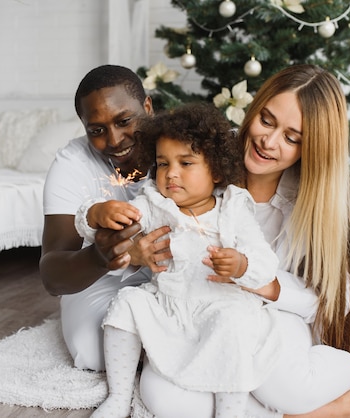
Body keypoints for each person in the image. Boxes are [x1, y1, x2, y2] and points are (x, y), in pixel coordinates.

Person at [41, 64, 350, 417]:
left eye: (292, 137)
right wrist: (119, 236)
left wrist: (265, 284)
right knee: (164, 400)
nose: (269, 142)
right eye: (266, 120)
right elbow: (144, 210)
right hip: (193, 311)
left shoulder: (311, 198)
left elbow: (334, 301)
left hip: (268, 313)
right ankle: (329, 407)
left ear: (311, 148)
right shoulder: (203, 152)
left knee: (284, 385)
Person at [76, 102, 285, 417]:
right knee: (129, 300)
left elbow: (265, 262)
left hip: (220, 306)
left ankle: (231, 412)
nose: (170, 173)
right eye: (162, 164)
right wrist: (97, 213)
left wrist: (242, 265)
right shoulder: (155, 205)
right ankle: (118, 397)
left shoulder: (232, 209)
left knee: (234, 325)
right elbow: (96, 233)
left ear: (215, 169)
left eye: (185, 163)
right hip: (170, 308)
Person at [40, 64, 170, 371]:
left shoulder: (177, 144)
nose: (114, 140)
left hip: (174, 273)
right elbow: (52, 277)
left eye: (124, 121)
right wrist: (102, 256)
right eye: (96, 130)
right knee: (93, 350)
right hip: (101, 280)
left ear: (147, 107)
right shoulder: (71, 164)